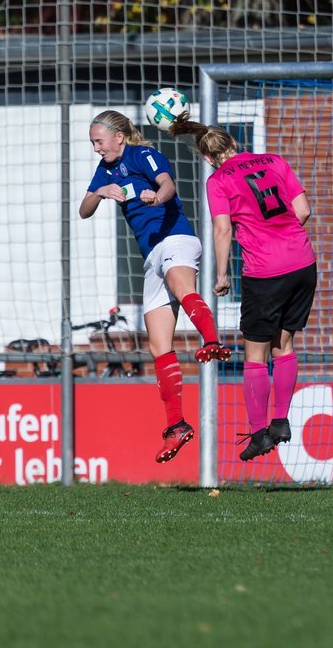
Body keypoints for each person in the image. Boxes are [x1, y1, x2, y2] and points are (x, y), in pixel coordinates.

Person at [79, 110, 232, 463]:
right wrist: (100, 192)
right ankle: (177, 425)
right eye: (92, 143)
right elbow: (84, 210)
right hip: (152, 256)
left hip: (174, 238)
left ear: (119, 136)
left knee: (182, 287)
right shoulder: (106, 169)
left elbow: (168, 185)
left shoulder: (142, 154)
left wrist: (155, 198)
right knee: (158, 345)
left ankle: (211, 340)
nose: (96, 149)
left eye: (98, 141)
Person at [169, 115, 316, 462]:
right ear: (235, 144)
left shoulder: (218, 180)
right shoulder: (276, 161)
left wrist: (222, 275)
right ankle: (280, 421)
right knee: (285, 344)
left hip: (265, 271)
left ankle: (259, 431)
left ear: (207, 158)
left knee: (255, 355)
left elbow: (223, 230)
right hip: (303, 262)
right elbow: (304, 210)